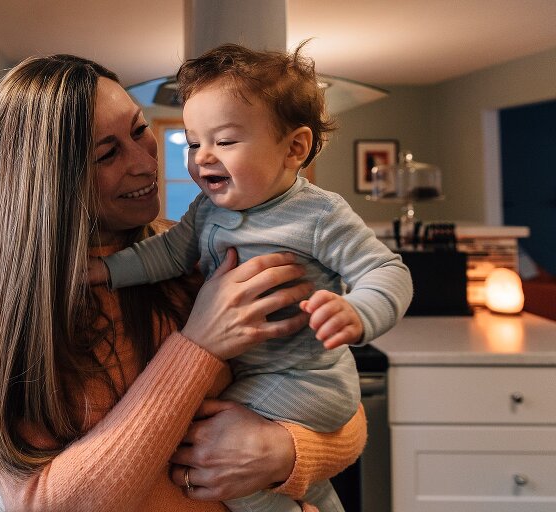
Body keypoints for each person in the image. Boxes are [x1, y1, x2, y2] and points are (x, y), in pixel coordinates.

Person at [0, 54, 367, 512]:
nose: (144, 162)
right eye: (107, 154)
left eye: (138, 130)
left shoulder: (198, 252)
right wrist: (198, 346)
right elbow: (43, 504)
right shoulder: (15, 320)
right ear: (48, 184)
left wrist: (281, 452)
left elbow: (340, 404)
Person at [92, 43, 413, 512]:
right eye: (193, 142)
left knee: (210, 452)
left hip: (306, 379)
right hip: (261, 375)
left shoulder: (318, 214)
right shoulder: (206, 211)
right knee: (259, 467)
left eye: (224, 142)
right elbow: (168, 253)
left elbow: (386, 270)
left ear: (294, 148)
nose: (203, 157)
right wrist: (107, 270)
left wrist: (358, 311)